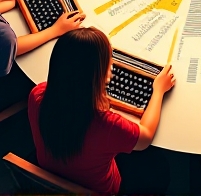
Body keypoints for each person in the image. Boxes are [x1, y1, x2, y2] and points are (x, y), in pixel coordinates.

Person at [29, 28, 174, 194]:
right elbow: (146, 137)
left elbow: (69, 90)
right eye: (109, 62)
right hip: (101, 190)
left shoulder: (37, 95)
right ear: (100, 75)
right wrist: (158, 90)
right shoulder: (108, 126)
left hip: (50, 177)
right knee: (158, 164)